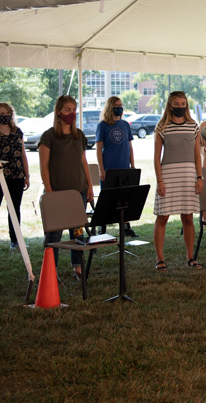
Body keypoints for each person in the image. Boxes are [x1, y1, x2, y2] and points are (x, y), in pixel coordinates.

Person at [39, 95, 94, 281]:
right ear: (59, 112)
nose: (72, 113)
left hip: (78, 190)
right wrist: (49, 191)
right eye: (68, 110)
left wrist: (89, 186)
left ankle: (77, 267)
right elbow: (44, 165)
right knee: (53, 234)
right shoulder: (49, 136)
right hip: (56, 192)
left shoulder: (79, 135)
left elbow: (83, 161)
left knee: (77, 232)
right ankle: (50, 272)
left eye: (74, 109)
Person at [153, 91, 203, 271]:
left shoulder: (194, 126)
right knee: (163, 216)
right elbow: (156, 157)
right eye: (177, 104)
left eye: (183, 104)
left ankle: (190, 257)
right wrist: (159, 181)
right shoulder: (162, 127)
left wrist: (199, 177)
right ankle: (160, 259)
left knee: (188, 217)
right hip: (168, 176)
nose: (180, 107)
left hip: (189, 177)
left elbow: (197, 154)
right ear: (170, 105)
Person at [0, 103, 30, 252]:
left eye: (7, 112)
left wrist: (26, 175)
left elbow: (23, 153)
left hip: (17, 175)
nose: (5, 115)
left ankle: (15, 240)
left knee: (14, 209)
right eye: (1, 113)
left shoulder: (17, 132)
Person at [95, 96, 136, 236]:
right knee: (106, 198)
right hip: (109, 168)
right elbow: (98, 149)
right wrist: (101, 169)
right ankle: (102, 227)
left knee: (125, 198)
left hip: (124, 166)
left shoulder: (125, 125)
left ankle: (126, 226)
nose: (119, 107)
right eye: (116, 105)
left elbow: (130, 146)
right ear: (110, 107)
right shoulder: (103, 125)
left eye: (121, 105)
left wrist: (133, 165)